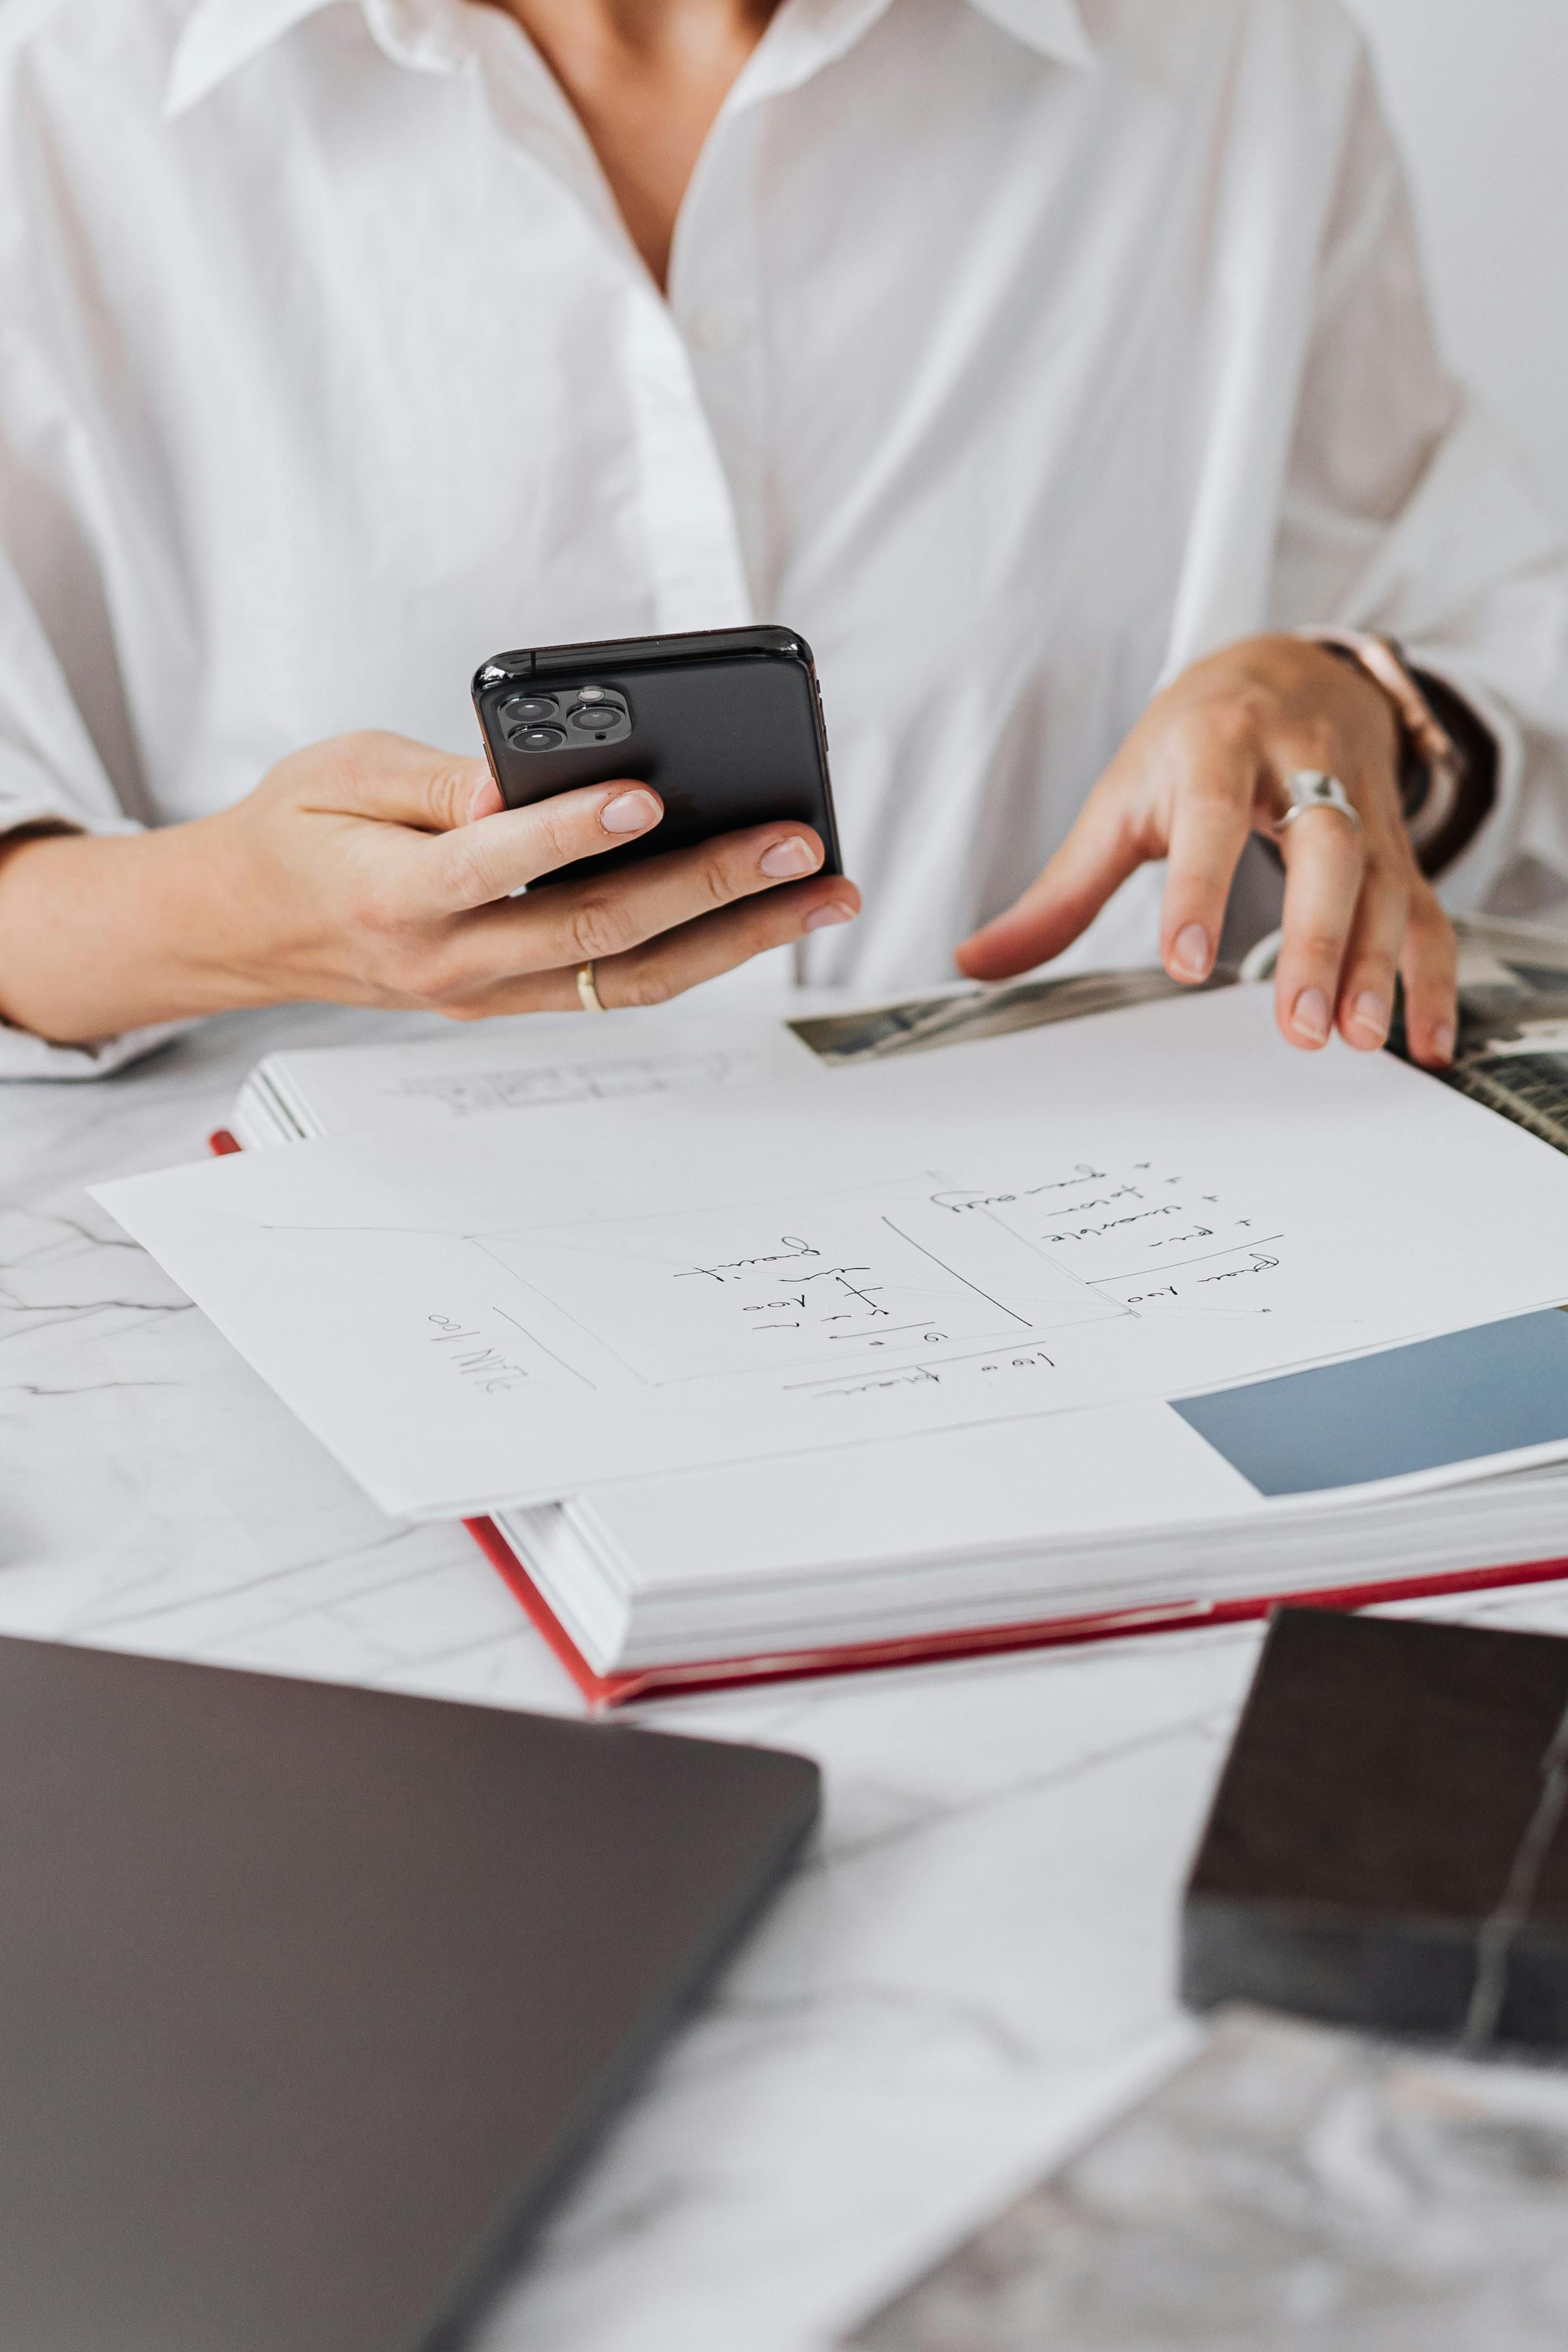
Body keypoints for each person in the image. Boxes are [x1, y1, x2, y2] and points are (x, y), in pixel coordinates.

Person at [0, 0, 1563, 1081]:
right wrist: (239, 920)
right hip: (289, 1375)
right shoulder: (60, 87)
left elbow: (1499, 669)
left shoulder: (1229, 52)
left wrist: (1364, 706)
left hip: (1088, 1279)